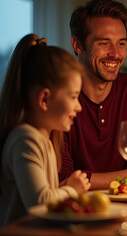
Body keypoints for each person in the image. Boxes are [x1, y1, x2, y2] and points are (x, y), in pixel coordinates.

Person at [59, 0, 127, 190]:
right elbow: (62, 177)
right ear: (78, 45)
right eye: (104, 43)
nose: (115, 54)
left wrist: (84, 181)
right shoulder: (60, 96)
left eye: (121, 43)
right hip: (76, 211)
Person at [0, 34, 91, 225]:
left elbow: (42, 193)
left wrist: (61, 189)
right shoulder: (26, 140)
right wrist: (72, 189)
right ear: (44, 99)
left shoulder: (43, 140)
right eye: (73, 96)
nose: (79, 107)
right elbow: (38, 204)